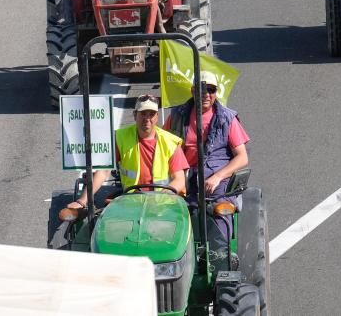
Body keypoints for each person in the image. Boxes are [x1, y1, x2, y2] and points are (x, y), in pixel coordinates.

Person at [164, 71, 250, 245]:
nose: (206, 95)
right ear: (192, 91)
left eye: (211, 90)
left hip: (217, 180)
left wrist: (217, 177)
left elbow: (242, 158)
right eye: (201, 90)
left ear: (216, 93)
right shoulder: (177, 115)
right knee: (170, 212)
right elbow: (163, 145)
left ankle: (219, 257)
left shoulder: (227, 118)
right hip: (185, 176)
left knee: (219, 210)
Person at [66, 94, 189, 210]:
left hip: (162, 203)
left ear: (157, 117)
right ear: (135, 115)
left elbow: (179, 180)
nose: (147, 119)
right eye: (143, 114)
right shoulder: (121, 138)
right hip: (131, 201)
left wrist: (162, 197)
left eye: (151, 114)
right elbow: (103, 172)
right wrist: (82, 201)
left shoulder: (170, 142)